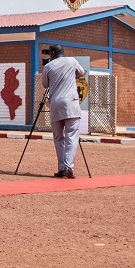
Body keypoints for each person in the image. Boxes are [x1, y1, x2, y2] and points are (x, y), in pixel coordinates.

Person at [40, 45, 86, 179]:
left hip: (56, 103)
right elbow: (81, 72)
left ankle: (61, 167)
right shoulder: (72, 61)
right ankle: (68, 167)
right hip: (71, 103)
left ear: (53, 53)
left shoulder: (49, 66)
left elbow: (44, 84)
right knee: (71, 136)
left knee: (58, 138)